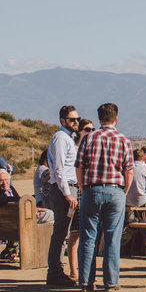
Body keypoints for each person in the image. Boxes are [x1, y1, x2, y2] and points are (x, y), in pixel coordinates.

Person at [75, 103, 134, 292]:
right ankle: (110, 281)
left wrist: (83, 187)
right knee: (112, 238)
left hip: (92, 189)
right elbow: (129, 170)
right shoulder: (123, 140)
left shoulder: (88, 138)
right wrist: (124, 190)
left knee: (88, 237)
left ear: (99, 119)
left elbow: (79, 165)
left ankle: (86, 281)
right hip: (115, 189)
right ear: (115, 118)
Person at [46, 105, 81, 287]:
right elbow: (59, 169)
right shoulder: (60, 139)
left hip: (69, 187)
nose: (76, 122)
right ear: (63, 121)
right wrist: (67, 194)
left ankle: (57, 271)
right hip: (63, 189)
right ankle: (55, 272)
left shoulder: (68, 138)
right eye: (72, 120)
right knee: (61, 232)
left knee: (64, 231)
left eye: (77, 119)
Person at [66, 117, 95, 280]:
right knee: (75, 232)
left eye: (92, 129)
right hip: (76, 189)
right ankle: (73, 270)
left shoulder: (91, 148)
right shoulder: (74, 148)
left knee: (88, 232)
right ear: (80, 131)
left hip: (88, 190)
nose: (90, 132)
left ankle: (86, 271)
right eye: (87, 129)